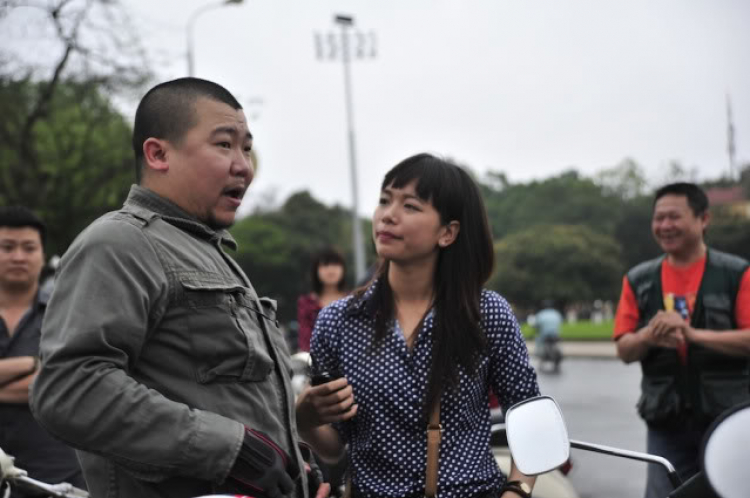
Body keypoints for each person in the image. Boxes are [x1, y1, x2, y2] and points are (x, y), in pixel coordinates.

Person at [30, 78, 328, 498]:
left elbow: (226, 397)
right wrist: (233, 449)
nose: (244, 165)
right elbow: (69, 388)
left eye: (246, 147)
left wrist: (293, 463)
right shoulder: (120, 243)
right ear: (158, 153)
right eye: (224, 144)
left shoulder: (210, 252)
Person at [295, 153, 540, 498]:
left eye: (410, 206)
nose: (387, 215)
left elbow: (529, 415)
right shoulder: (337, 322)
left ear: (447, 232)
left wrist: (517, 491)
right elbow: (335, 445)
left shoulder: (487, 313)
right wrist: (304, 417)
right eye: (384, 201)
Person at [612, 182, 750, 498]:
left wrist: (691, 334)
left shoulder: (737, 273)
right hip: (666, 421)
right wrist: (650, 334)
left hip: (727, 419)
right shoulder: (638, 279)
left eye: (674, 217)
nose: (664, 226)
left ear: (704, 219)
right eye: (658, 218)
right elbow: (624, 349)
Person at [0, 206, 85, 497]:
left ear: (41, 254)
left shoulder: (70, 311)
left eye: (28, 247)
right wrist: (32, 364)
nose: (18, 256)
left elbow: (71, 383)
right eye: (7, 247)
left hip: (59, 476)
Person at [297, 248, 348, 352]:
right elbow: (305, 339)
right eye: (325, 265)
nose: (330, 270)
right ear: (316, 270)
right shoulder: (306, 303)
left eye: (335, 265)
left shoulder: (353, 301)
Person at [531, 300, 563, 373]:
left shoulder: (541, 314)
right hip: (556, 335)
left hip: (545, 336)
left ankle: (540, 358)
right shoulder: (556, 313)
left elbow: (536, 325)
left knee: (538, 341)